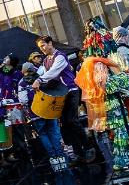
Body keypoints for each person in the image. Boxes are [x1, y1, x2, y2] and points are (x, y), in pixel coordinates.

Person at [34, 35, 91, 164]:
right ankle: (78, 153)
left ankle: (88, 147)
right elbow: (43, 74)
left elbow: (53, 72)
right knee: (65, 124)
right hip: (60, 95)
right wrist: (33, 79)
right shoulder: (45, 61)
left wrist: (39, 80)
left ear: (50, 43)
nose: (42, 49)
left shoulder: (60, 56)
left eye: (43, 45)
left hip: (71, 91)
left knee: (72, 120)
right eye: (40, 47)